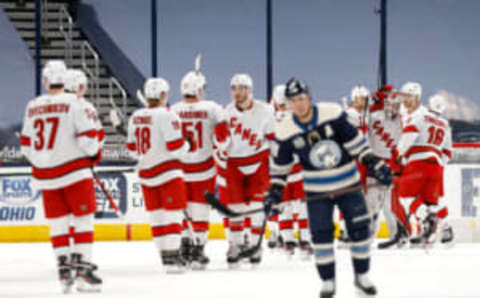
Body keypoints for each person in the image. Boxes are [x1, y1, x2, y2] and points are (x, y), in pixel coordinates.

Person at [267, 78, 392, 297]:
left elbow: (355, 142)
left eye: (302, 98)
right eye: (293, 100)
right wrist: (275, 192)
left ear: (309, 98)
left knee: (360, 231)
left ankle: (361, 277)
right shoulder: (285, 129)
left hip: (347, 184)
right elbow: (281, 166)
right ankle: (328, 281)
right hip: (317, 191)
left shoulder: (331, 114)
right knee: (321, 236)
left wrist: (373, 162)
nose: (298, 104)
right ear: (288, 103)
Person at [20, 60, 103, 293]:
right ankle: (83, 271)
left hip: (45, 176)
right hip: (75, 173)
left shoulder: (32, 106)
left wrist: (44, 161)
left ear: (45, 80)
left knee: (58, 224)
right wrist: (93, 155)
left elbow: (26, 145)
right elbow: (89, 140)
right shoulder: (76, 103)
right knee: (83, 219)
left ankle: (64, 271)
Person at [126, 78, 194, 273]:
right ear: (164, 95)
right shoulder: (168, 115)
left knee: (156, 216)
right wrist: (188, 144)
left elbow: (131, 149)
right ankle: (173, 257)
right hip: (168, 172)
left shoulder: (135, 116)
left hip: (146, 174)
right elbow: (176, 148)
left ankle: (165, 256)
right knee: (172, 214)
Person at [171, 71, 230, 269]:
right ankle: (198, 249)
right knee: (201, 210)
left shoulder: (173, 109)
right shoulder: (213, 108)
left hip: (179, 168)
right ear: (197, 89)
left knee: (183, 209)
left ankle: (184, 245)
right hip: (203, 168)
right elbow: (224, 140)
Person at [223, 73, 275, 267]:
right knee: (234, 207)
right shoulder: (225, 113)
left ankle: (255, 245)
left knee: (257, 207)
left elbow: (272, 137)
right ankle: (235, 245)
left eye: (241, 88)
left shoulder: (265, 110)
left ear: (249, 90)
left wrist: (277, 164)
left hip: (258, 161)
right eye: (234, 88)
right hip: (234, 163)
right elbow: (220, 141)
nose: (237, 92)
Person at [395, 83, 453, 247]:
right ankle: (445, 227)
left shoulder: (420, 117)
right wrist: (437, 164)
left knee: (405, 197)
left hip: (417, 163)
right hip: (436, 166)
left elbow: (407, 139)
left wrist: (397, 159)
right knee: (432, 201)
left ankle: (425, 220)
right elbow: (448, 152)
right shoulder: (445, 125)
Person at [269, 84, 312, 257]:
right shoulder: (298, 118)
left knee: (284, 207)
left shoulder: (270, 119)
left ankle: (288, 241)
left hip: (279, 172)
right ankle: (305, 241)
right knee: (302, 208)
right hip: (298, 170)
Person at [366, 90, 403, 249]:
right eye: (390, 103)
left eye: (396, 104)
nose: (393, 107)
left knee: (388, 205)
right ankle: (367, 237)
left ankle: (396, 236)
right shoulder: (374, 117)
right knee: (372, 203)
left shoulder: (401, 121)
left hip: (390, 165)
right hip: (375, 163)